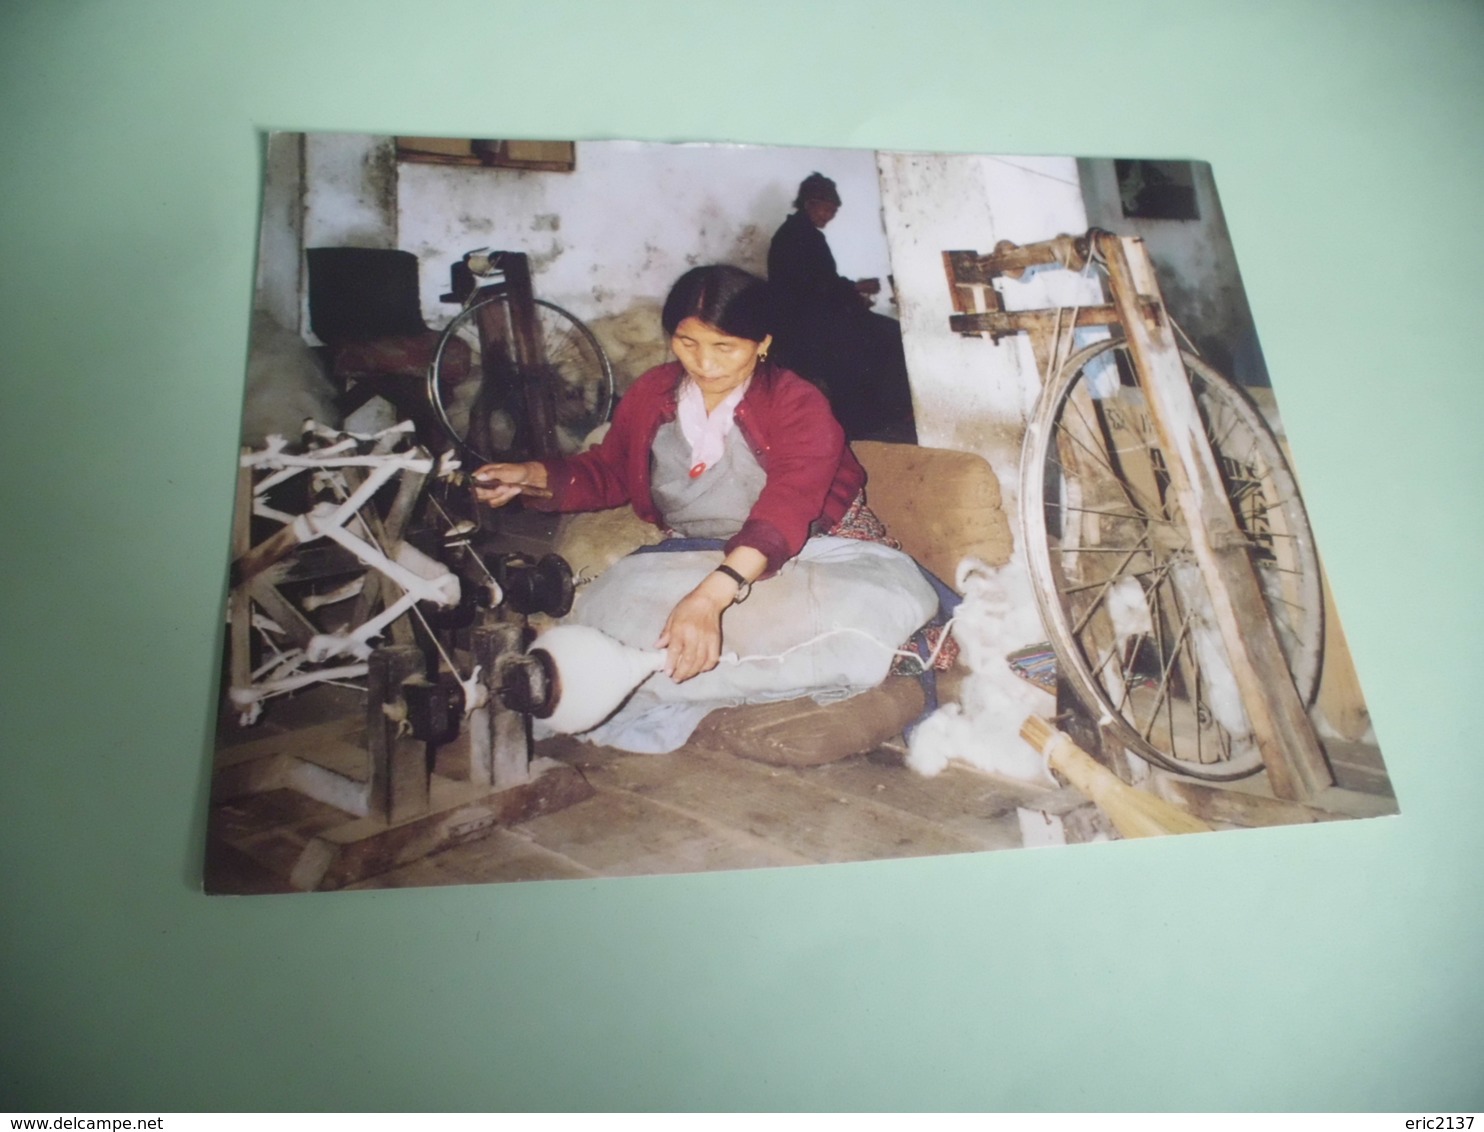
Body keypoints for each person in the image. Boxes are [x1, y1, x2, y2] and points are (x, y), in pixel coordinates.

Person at [472, 264, 937, 753]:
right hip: (690, 557)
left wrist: (710, 598)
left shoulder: (797, 403)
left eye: (725, 347)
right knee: (613, 613)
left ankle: (668, 691)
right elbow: (609, 471)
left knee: (861, 616)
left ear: (762, 343)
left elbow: (787, 507)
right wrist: (534, 475)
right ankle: (704, 690)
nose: (704, 364)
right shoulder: (652, 394)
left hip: (811, 552)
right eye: (687, 343)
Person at [767, 172, 915, 441]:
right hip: (806, 325)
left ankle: (875, 417)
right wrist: (855, 290)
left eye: (834, 211)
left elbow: (822, 284)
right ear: (810, 203)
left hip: (812, 318)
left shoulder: (800, 233)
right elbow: (815, 288)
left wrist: (853, 294)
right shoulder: (799, 236)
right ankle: (878, 418)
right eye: (827, 209)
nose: (830, 216)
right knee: (892, 337)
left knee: (880, 334)